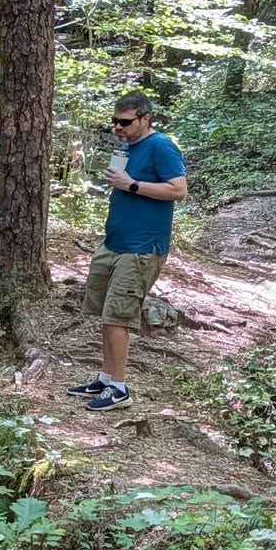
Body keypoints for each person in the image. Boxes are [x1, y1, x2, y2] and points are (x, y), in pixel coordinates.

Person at [69, 90, 188, 413]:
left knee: (118, 317)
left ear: (145, 118)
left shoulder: (161, 146)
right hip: (114, 243)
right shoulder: (126, 147)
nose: (118, 127)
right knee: (106, 315)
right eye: (114, 121)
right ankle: (105, 378)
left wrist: (132, 185)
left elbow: (179, 189)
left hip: (141, 248)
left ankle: (119, 388)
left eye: (124, 122)